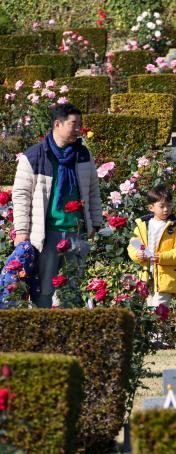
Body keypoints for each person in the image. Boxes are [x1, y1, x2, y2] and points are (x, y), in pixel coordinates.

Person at [12, 103, 102, 308]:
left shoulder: (83, 155)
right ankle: (43, 330)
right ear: (57, 124)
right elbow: (21, 195)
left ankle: (69, 333)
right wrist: (22, 230)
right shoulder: (35, 156)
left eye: (80, 124)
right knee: (45, 289)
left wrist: (95, 222)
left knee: (73, 287)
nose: (79, 129)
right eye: (74, 124)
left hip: (76, 232)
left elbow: (93, 190)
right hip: (47, 234)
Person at [127, 185, 176, 308]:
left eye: (169, 205)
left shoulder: (175, 228)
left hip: (166, 278)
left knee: (158, 312)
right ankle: (158, 328)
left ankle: (159, 326)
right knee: (149, 312)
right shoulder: (143, 226)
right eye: (162, 206)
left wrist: (162, 257)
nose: (166, 209)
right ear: (151, 207)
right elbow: (133, 244)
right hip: (146, 276)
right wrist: (138, 254)